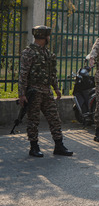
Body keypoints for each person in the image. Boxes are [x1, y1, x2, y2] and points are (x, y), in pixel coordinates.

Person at [18, 25, 73, 157]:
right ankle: (34, 147)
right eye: (48, 36)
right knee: (33, 120)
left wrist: (56, 89)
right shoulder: (28, 52)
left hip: (47, 92)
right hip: (34, 91)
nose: (49, 38)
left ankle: (59, 145)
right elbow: (23, 74)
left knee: (54, 118)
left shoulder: (48, 53)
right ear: (44, 37)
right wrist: (21, 94)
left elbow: (52, 74)